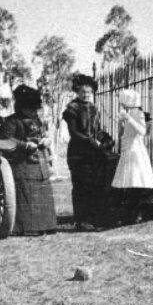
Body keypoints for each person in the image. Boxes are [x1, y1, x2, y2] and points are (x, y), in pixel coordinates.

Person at [3, 85, 57, 235]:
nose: (33, 111)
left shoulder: (37, 119)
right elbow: (8, 139)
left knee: (43, 193)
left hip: (39, 162)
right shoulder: (11, 121)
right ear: (22, 107)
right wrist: (25, 145)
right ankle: (27, 228)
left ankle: (46, 225)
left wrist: (46, 140)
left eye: (34, 109)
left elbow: (43, 134)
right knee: (26, 194)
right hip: (22, 163)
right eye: (30, 109)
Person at [62, 73, 110, 230]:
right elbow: (74, 133)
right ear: (77, 91)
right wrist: (91, 141)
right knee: (80, 186)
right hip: (78, 153)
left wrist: (104, 139)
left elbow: (96, 130)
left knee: (94, 186)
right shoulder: (72, 108)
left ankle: (94, 219)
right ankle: (80, 221)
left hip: (93, 153)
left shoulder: (94, 108)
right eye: (83, 92)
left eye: (89, 92)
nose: (86, 95)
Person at [111, 89, 153, 223]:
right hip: (128, 149)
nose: (122, 105)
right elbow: (124, 134)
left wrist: (129, 119)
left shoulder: (138, 113)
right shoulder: (130, 113)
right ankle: (130, 215)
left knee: (135, 182)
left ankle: (134, 215)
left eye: (123, 102)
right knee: (128, 184)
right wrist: (122, 123)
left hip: (135, 151)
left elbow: (142, 131)